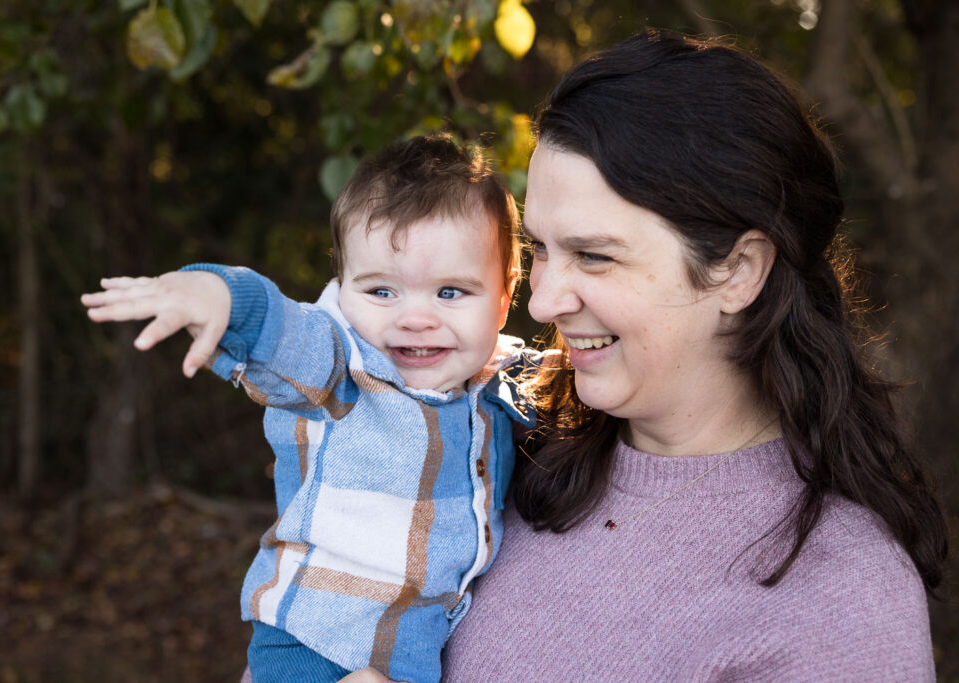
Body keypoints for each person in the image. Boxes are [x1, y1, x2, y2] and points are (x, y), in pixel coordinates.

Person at [344, 30, 949, 682]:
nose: (543, 300)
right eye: (541, 246)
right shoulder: (492, 443)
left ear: (739, 270)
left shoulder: (843, 598)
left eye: (595, 255)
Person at [81, 135, 542, 683]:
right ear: (341, 288)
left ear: (504, 294)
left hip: (409, 652)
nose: (416, 318)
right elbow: (282, 332)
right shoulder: (344, 368)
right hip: (313, 641)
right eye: (381, 292)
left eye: (450, 293)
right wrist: (223, 299)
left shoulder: (503, 379)